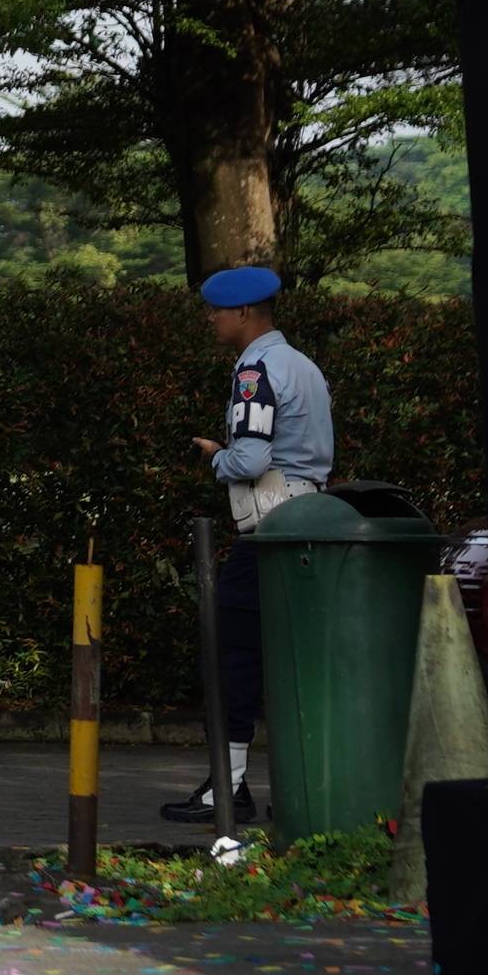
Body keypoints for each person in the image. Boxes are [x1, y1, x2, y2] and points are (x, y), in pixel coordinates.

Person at [162, 263, 334, 826]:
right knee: (291, 658)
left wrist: (218, 457)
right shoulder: (303, 365)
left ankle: (228, 785)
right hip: (309, 522)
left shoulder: (255, 370)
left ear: (243, 312)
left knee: (231, 653)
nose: (211, 319)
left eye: (216, 310)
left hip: (268, 527)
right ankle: (307, 785)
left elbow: (253, 458)